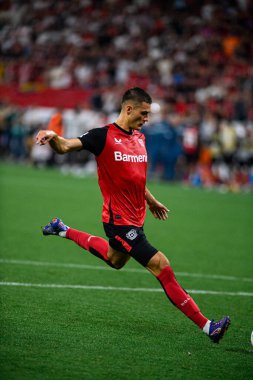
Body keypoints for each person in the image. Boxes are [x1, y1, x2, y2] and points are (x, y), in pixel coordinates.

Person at [36, 87, 230, 343]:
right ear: (129, 109)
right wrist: (53, 136)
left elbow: (135, 178)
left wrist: (151, 201)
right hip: (119, 223)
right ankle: (208, 327)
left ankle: (62, 228)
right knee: (162, 266)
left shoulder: (140, 138)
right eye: (144, 113)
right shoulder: (101, 136)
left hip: (136, 218)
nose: (147, 118)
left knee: (114, 259)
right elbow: (66, 146)